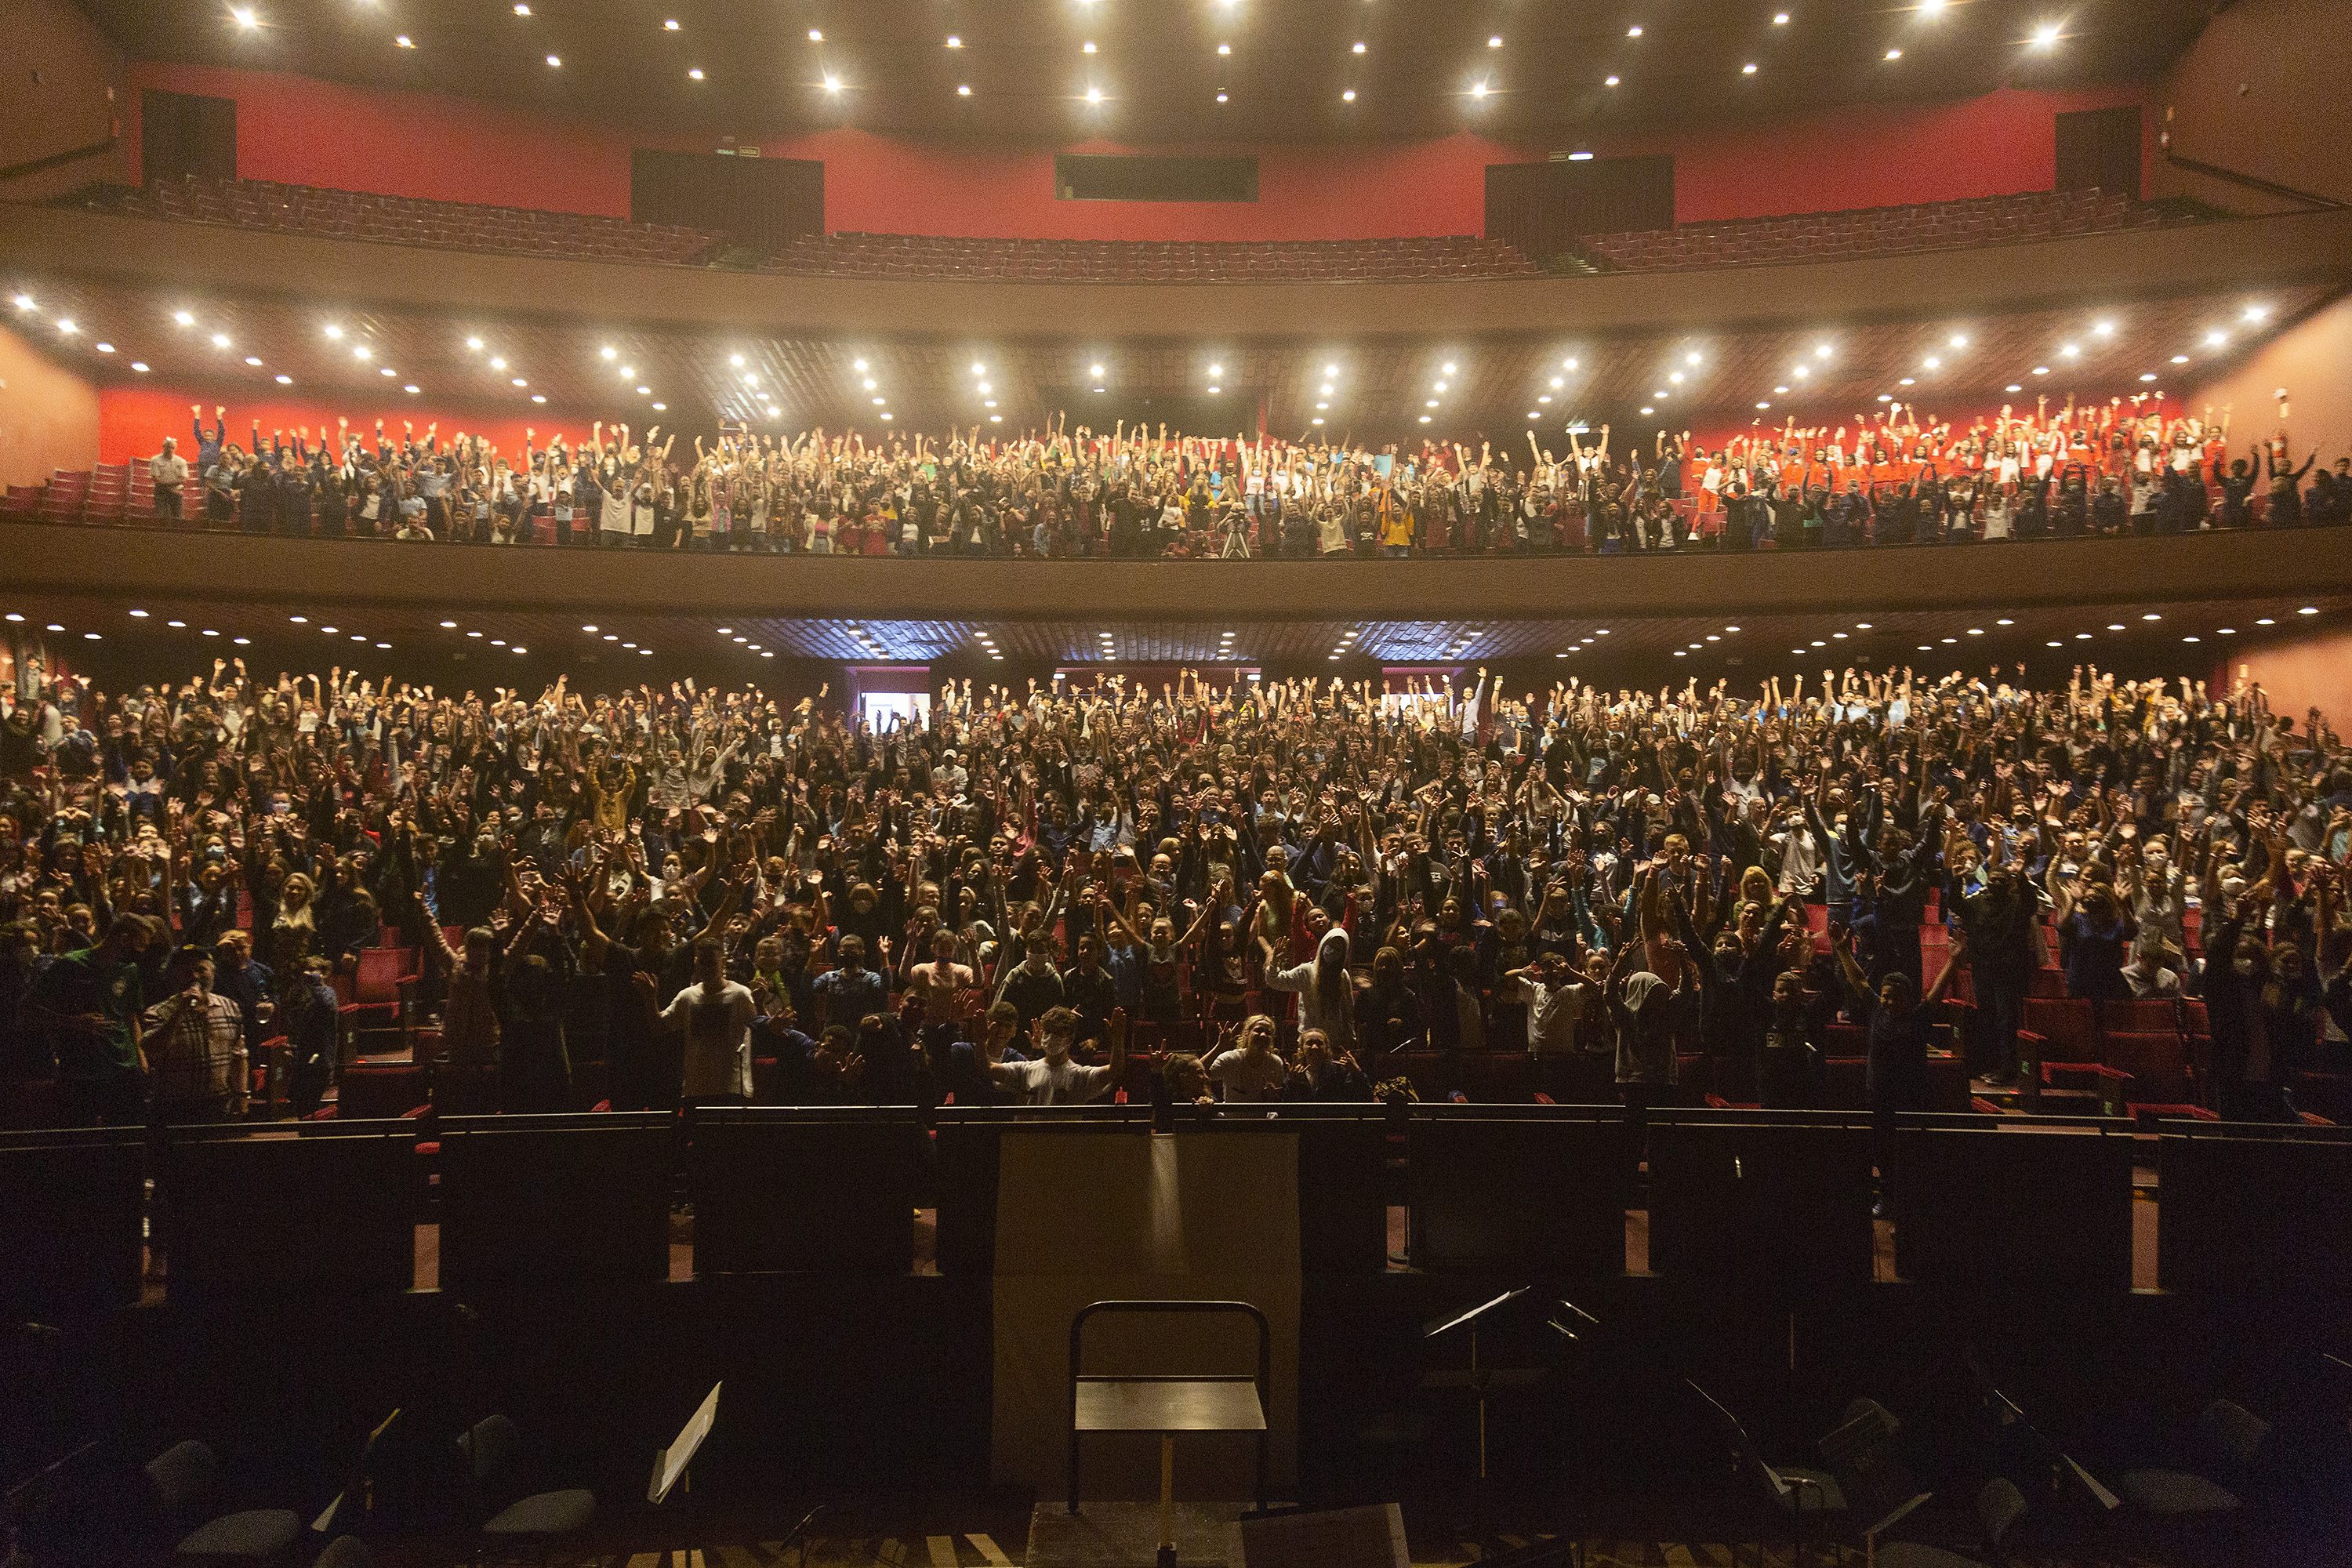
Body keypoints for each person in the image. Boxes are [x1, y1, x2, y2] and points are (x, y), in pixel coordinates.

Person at [29, 913, 149, 1124]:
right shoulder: (70, 964)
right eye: (139, 944)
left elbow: (131, 1016)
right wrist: (72, 1022)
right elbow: (29, 1009)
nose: (143, 952)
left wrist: (140, 1057)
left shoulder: (130, 970)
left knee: (126, 1135)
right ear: (122, 938)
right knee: (81, 1137)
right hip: (81, 1068)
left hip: (122, 1068)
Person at [140, 946, 249, 1123]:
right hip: (173, 1107)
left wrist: (242, 1096)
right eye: (186, 971)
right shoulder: (158, 1012)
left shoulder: (230, 1007)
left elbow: (239, 1056)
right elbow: (152, 1050)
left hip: (218, 1104)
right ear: (175, 976)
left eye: (201, 970)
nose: (194, 976)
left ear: (213, 972)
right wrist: (180, 1010)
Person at [659, 935, 755, 1103]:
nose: (707, 969)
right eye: (702, 963)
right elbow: (660, 1027)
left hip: (732, 1088)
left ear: (722, 963)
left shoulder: (740, 994)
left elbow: (758, 1027)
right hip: (696, 1089)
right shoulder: (687, 996)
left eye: (712, 963)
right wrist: (648, 997)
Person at [989, 1004, 1127, 1105]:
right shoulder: (1025, 1070)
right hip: (1028, 1142)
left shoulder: (1079, 1076)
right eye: (1048, 1031)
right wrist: (981, 1040)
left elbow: (1114, 1070)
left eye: (1058, 1033)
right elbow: (987, 1067)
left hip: (1063, 1143)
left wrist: (1118, 1040)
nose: (1051, 1037)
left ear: (1070, 1039)